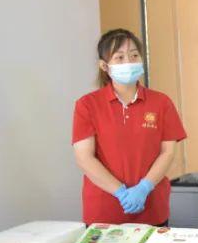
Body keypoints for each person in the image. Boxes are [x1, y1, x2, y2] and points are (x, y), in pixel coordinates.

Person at [72, 29, 186, 227]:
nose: (129, 62)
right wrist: (121, 192)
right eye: (119, 57)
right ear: (104, 66)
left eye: (134, 55)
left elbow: (168, 152)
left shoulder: (161, 103)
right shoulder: (87, 105)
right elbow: (84, 158)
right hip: (104, 212)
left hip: (151, 208)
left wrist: (144, 188)